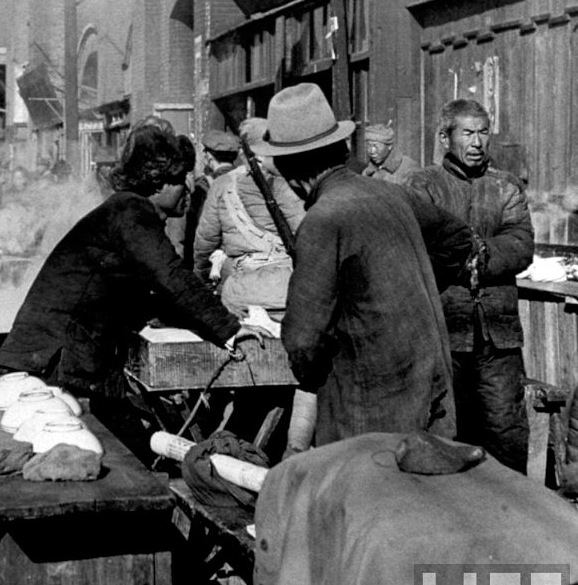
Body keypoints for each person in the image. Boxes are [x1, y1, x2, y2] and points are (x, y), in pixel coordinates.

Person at [0, 128, 263, 456]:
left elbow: (155, 289)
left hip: (66, 353)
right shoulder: (131, 213)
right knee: (107, 452)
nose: (187, 188)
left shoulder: (127, 210)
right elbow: (172, 278)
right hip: (56, 359)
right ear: (157, 183)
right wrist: (231, 331)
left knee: (128, 444)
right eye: (180, 179)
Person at [250, 83, 473, 446]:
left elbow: (302, 342)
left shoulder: (323, 220)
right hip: (433, 395)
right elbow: (460, 239)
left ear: (293, 175)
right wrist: (407, 284)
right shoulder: (392, 194)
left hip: (369, 417)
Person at [405, 99, 534, 473]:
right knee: (446, 430)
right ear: (446, 137)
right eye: (467, 133)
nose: (477, 142)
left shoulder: (505, 186)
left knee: (506, 431)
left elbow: (521, 244)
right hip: (445, 331)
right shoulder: (423, 185)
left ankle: (513, 512)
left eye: (483, 132)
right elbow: (421, 244)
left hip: (499, 335)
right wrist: (466, 258)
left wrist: (480, 257)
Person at [194, 119, 305, 313]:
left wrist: (202, 280)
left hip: (242, 291)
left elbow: (205, 244)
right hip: (289, 288)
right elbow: (306, 235)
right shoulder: (288, 184)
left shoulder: (221, 185)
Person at [183, 130, 242, 270]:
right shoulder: (246, 180)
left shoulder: (204, 186)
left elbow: (194, 229)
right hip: (240, 257)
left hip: (214, 261)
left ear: (208, 156)